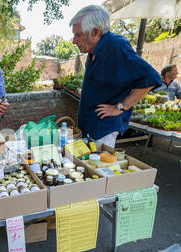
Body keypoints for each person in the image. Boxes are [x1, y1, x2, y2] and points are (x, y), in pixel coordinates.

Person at [69, 5, 162, 148]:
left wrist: (121, 107)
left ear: (95, 32)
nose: (74, 41)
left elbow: (150, 78)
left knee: (98, 168)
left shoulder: (116, 46)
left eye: (78, 35)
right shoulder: (93, 50)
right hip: (89, 125)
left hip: (103, 129)